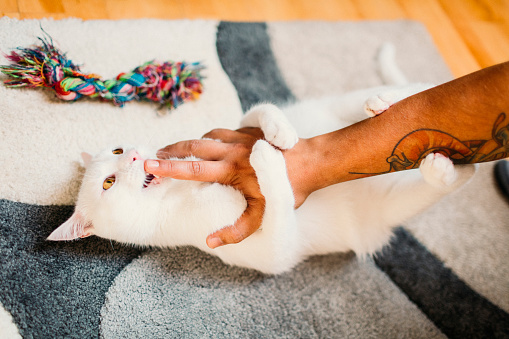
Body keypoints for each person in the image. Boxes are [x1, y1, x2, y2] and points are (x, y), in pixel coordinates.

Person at [144, 61, 509, 249]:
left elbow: (253, 125)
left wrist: (267, 120)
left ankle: (409, 105)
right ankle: (436, 170)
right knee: (377, 219)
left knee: (339, 112)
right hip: (358, 209)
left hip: (328, 154)